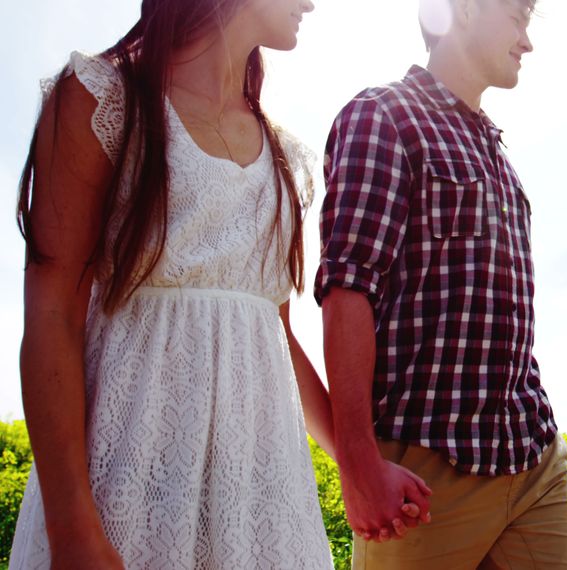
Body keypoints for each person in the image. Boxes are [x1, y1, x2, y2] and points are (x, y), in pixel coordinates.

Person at [9, 0, 347, 567]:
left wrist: (358, 466)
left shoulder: (288, 158)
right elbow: (51, 314)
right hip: (127, 494)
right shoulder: (102, 99)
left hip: (263, 505)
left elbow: (277, 336)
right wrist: (72, 531)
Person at [317, 0, 567, 567]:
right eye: (519, 17)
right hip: (427, 476)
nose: (527, 41)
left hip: (531, 457)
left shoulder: (499, 157)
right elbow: (347, 289)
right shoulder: (383, 116)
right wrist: (358, 465)